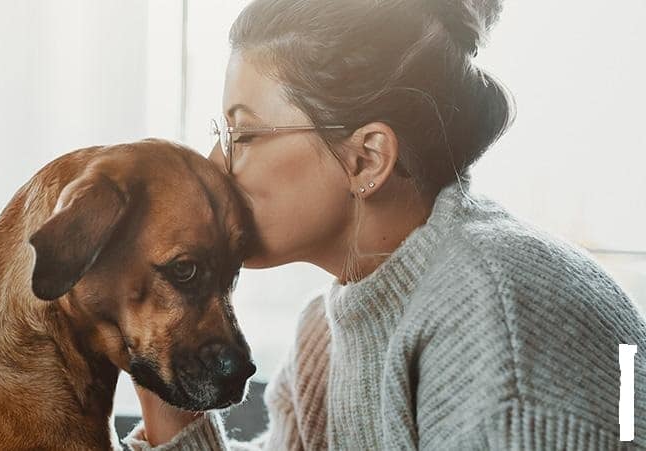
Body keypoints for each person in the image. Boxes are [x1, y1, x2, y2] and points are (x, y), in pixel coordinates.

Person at [124, 0, 646, 449]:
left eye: (244, 133)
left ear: (366, 160)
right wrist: (165, 367)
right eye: (222, 129)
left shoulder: (496, 318)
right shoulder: (324, 339)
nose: (213, 165)